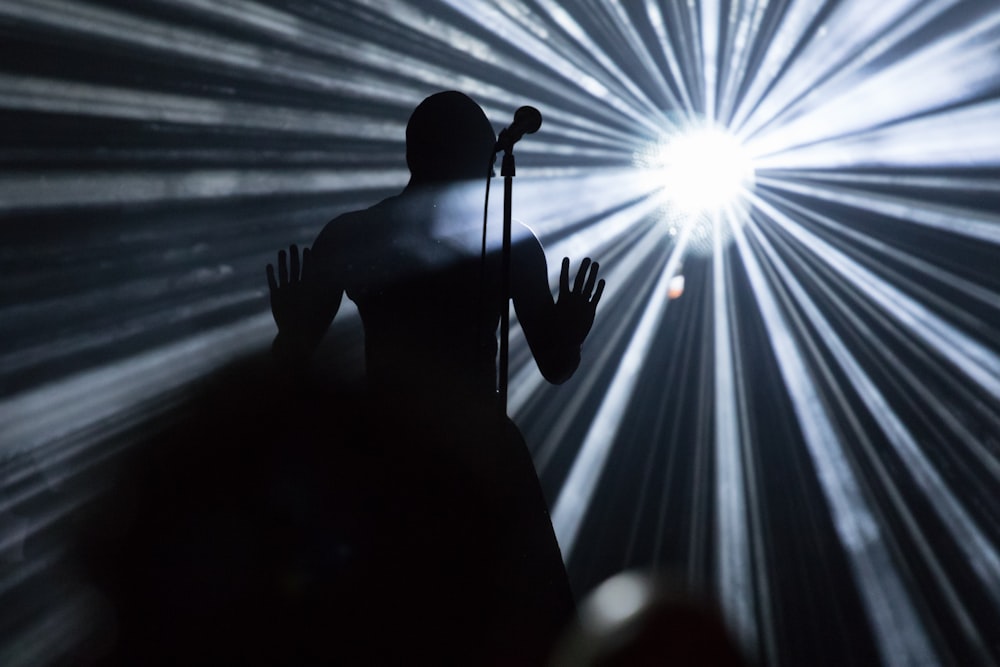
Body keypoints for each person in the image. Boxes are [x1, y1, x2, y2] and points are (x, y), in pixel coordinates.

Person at [265, 90, 606, 664]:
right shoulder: (509, 240)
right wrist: (569, 332)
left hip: (385, 455)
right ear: (478, 159)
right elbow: (556, 366)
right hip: (473, 453)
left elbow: (289, 371)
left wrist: (292, 332)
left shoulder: (354, 236)